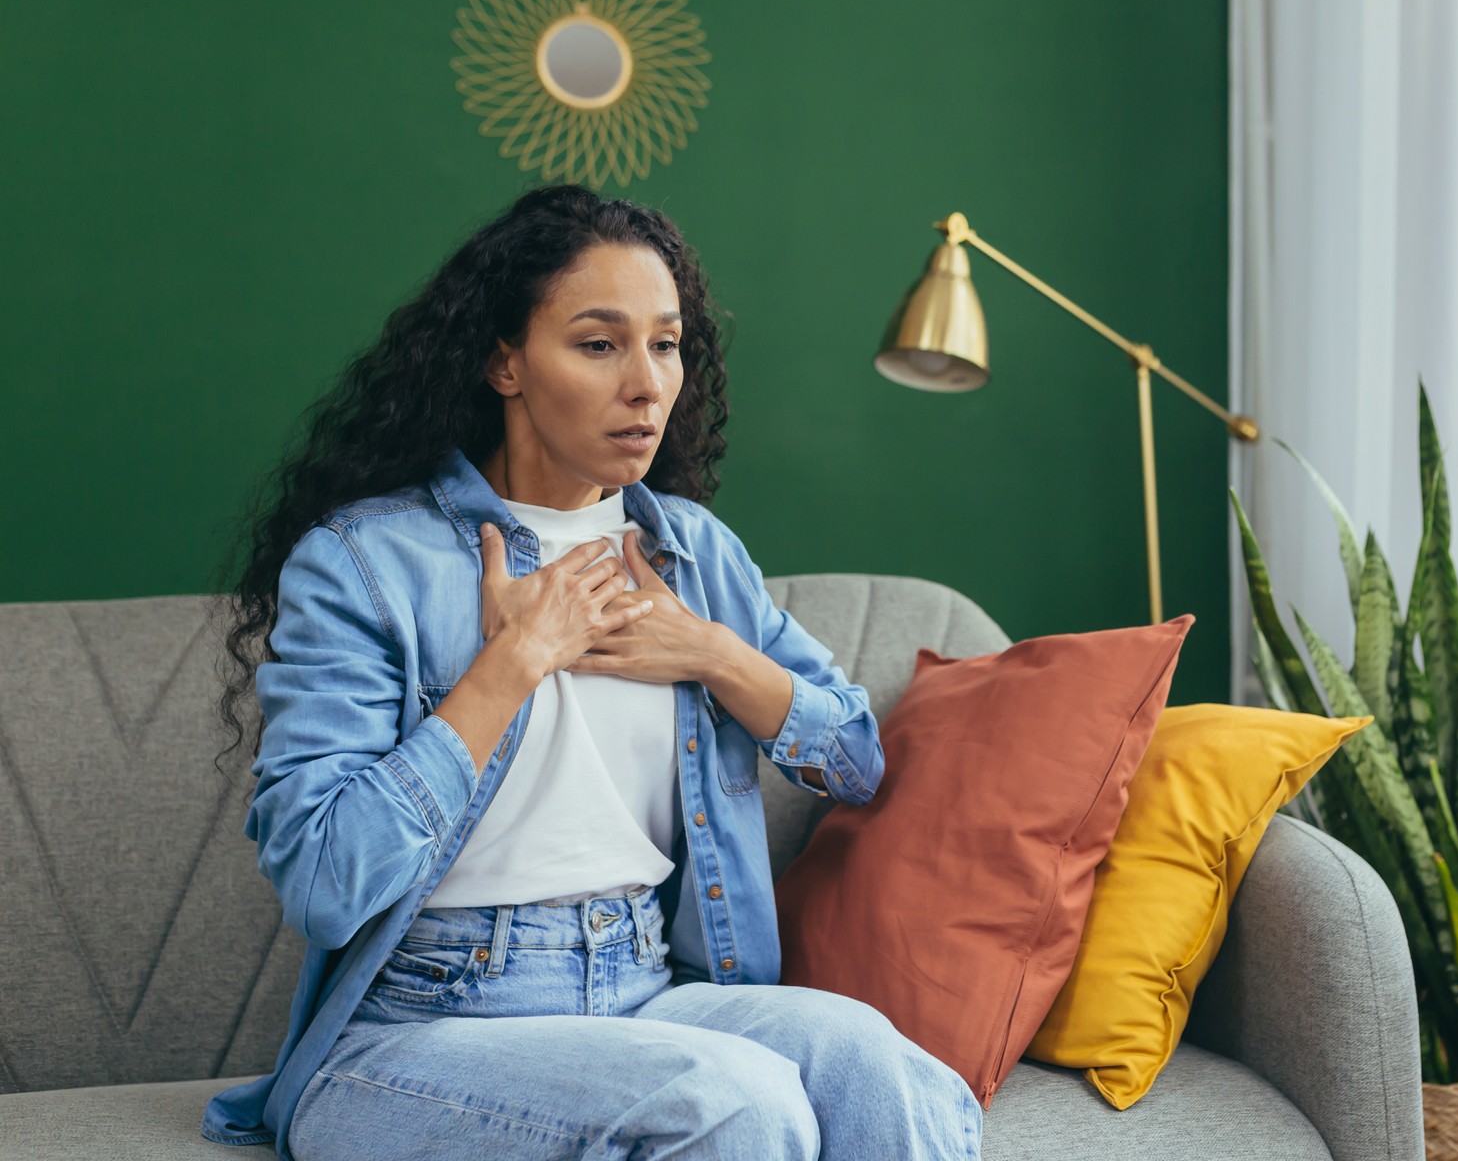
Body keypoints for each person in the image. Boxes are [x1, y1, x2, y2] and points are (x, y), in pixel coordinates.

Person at [200, 184, 984, 1159]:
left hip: (640, 984)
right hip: (418, 1030)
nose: (649, 383)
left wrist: (709, 650)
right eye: (600, 342)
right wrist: (511, 663)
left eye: (667, 343)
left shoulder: (690, 553)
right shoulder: (364, 563)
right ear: (505, 360)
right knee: (736, 1103)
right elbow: (324, 880)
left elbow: (857, 759)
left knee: (877, 1067)